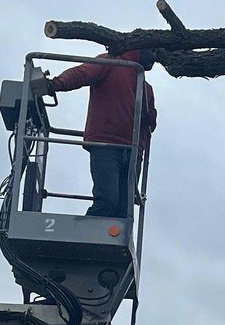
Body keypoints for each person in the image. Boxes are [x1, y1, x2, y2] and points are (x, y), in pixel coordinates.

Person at [42, 49, 157, 217]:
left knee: (125, 209)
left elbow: (150, 126)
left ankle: (109, 241)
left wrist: (150, 118)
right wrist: (56, 84)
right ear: (139, 49)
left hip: (134, 152)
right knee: (107, 200)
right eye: (152, 50)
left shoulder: (147, 88)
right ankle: (83, 237)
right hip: (106, 145)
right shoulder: (111, 62)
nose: (155, 56)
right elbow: (82, 73)